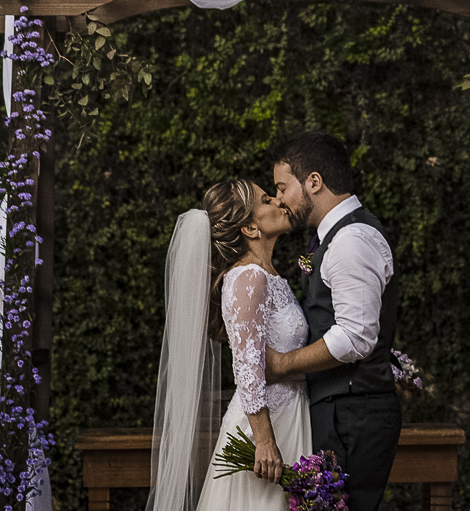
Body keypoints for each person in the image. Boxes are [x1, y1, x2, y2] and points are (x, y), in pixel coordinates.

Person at [147, 178, 312, 511]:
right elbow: (248, 364)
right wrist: (264, 442)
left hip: (292, 415)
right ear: (250, 228)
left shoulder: (269, 275)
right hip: (265, 428)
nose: (279, 202)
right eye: (267, 200)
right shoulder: (247, 278)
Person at [268, 131, 401, 511]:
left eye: (281, 187)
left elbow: (355, 338)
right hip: (343, 410)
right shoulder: (335, 238)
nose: (279, 199)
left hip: (354, 415)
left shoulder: (351, 240)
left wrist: (281, 365)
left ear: (314, 182)